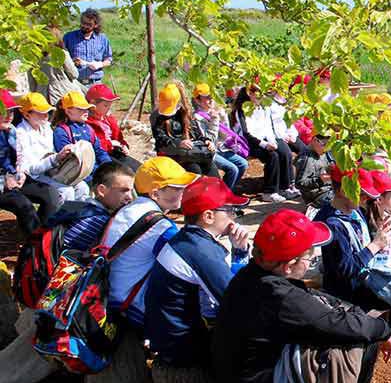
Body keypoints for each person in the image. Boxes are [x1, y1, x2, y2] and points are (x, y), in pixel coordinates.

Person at [212, 209, 391, 383]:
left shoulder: (252, 276)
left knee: (345, 326)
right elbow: (338, 324)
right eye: (310, 257)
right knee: (362, 342)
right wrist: (383, 330)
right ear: (288, 266)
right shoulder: (279, 296)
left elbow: (316, 303)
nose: (312, 262)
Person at [144, 177, 251, 367]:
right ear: (208, 216)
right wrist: (240, 256)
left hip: (168, 334)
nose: (234, 216)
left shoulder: (188, 239)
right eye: (230, 211)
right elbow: (236, 300)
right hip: (183, 345)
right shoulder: (201, 252)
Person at [315, 167, 391, 336]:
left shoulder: (355, 211)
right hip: (347, 292)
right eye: (360, 193)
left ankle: (370, 324)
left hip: (366, 282)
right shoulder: (332, 223)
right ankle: (363, 333)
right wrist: (374, 246)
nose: (365, 198)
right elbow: (345, 270)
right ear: (341, 190)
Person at [103, 157, 199, 328]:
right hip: (131, 306)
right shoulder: (161, 226)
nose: (184, 191)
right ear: (155, 193)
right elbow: (188, 264)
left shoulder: (126, 210)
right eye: (177, 187)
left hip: (108, 294)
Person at [16, 92, 90, 223]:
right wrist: (56, 158)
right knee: (66, 191)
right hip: (34, 177)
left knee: (82, 187)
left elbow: (52, 155)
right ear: (27, 114)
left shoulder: (46, 128)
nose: (45, 115)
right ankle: (57, 226)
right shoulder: (21, 134)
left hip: (51, 172)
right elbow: (29, 169)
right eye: (40, 112)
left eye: (47, 111)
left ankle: (77, 222)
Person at [230, 85, 298, 202]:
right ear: (250, 93)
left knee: (284, 152)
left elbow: (268, 128)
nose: (261, 96)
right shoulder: (241, 110)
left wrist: (272, 142)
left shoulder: (263, 108)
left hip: (266, 139)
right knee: (272, 156)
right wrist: (265, 145)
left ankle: (285, 187)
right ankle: (269, 191)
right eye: (257, 93)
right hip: (249, 143)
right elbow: (246, 133)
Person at [54, 161, 135, 252]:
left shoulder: (80, 205)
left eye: (131, 191)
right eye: (123, 190)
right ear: (102, 190)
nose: (130, 197)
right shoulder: (99, 221)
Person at [192, 83, 249, 191]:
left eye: (211, 97)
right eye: (207, 98)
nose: (211, 100)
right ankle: (223, 194)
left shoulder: (214, 112)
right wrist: (214, 121)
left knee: (243, 164)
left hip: (221, 147)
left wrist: (222, 118)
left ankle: (227, 190)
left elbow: (225, 135)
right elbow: (208, 140)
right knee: (233, 169)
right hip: (210, 151)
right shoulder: (197, 117)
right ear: (198, 101)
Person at [0, 90, 39, 240]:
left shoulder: (11, 131)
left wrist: (21, 173)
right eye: (5, 111)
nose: (10, 116)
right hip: (3, 183)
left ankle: (44, 242)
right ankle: (34, 249)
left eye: (12, 111)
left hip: (12, 179)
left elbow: (19, 157)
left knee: (51, 196)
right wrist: (5, 180)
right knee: (24, 205)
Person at [52, 90, 112, 182]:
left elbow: (99, 151)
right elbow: (69, 160)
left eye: (87, 108)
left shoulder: (89, 129)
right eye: (81, 109)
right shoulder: (61, 131)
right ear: (68, 111)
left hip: (96, 172)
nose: (86, 112)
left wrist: (108, 167)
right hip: (78, 176)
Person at [85, 84, 141, 171]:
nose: (108, 108)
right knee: (127, 173)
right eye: (105, 105)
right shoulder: (87, 123)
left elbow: (118, 137)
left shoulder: (108, 119)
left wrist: (123, 145)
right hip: (101, 157)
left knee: (141, 169)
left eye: (110, 105)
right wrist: (110, 143)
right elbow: (94, 145)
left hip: (115, 152)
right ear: (92, 104)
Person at [31, 25, 83, 106]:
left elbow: (32, 79)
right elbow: (74, 74)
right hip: (63, 93)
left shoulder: (34, 55)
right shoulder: (61, 53)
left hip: (42, 96)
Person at [63, 8, 113, 86]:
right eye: (83, 23)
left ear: (96, 25)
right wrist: (72, 61)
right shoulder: (69, 37)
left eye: (89, 24)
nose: (84, 26)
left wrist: (99, 64)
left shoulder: (102, 39)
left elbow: (109, 59)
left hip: (96, 83)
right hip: (75, 83)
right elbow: (62, 58)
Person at [293, 130, 335, 209]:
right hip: (318, 197)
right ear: (315, 140)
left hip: (330, 191)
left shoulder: (324, 153)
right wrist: (320, 180)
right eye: (324, 145)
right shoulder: (306, 158)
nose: (326, 149)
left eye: (329, 146)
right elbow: (300, 183)